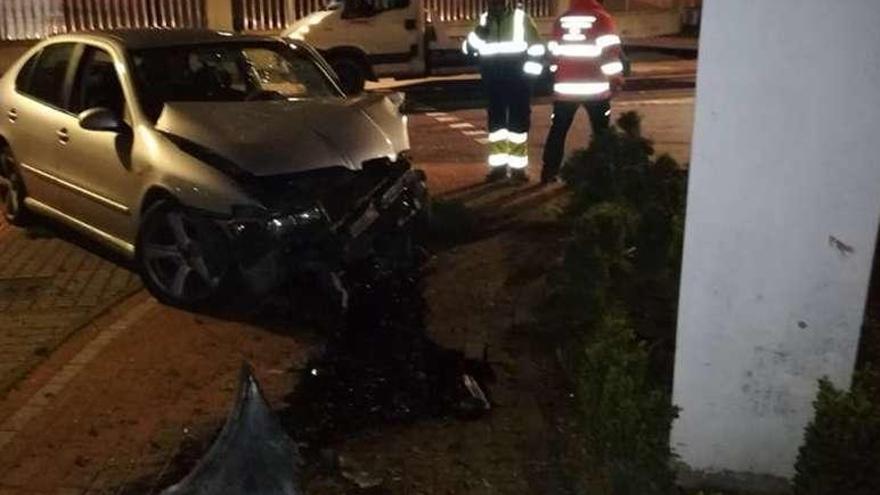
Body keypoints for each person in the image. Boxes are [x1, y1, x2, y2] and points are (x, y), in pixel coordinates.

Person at [540, 0, 625, 184]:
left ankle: (548, 172)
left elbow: (553, 54)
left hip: (565, 89)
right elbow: (610, 54)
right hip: (595, 89)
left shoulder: (562, 20)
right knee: (601, 133)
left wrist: (557, 76)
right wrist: (616, 80)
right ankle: (601, 175)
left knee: (558, 131)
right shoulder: (602, 19)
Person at [463, 0, 544, 183]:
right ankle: (498, 168)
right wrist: (478, 34)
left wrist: (529, 77)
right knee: (496, 127)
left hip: (518, 81)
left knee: (518, 125)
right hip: (493, 81)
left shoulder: (521, 18)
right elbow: (467, 49)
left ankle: (517, 170)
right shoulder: (483, 20)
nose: (494, 5)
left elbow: (537, 48)